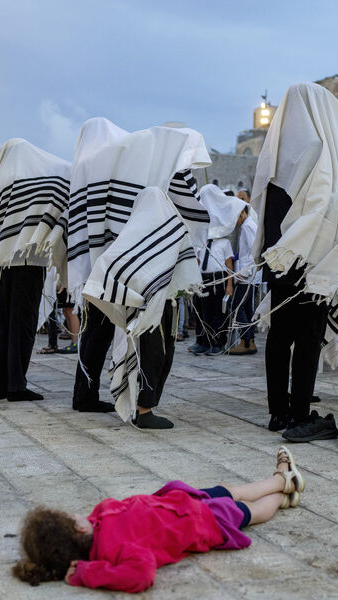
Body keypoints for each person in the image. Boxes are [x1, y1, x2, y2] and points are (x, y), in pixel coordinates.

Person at [250, 83, 338, 439]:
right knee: (309, 336)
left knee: (280, 334)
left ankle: (277, 412)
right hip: (312, 256)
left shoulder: (275, 147)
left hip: (278, 254)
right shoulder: (324, 149)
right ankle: (299, 411)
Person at [67, 118, 211, 415]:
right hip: (143, 257)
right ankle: (139, 403)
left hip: (103, 259)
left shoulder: (94, 164)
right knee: (146, 328)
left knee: (96, 329)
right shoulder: (159, 153)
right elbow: (190, 207)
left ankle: (85, 394)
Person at [12, 447, 305, 592]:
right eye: (71, 517)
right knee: (249, 512)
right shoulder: (113, 552)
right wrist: (89, 574)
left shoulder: (95, 524)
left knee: (233, 491)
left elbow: (115, 513)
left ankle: (279, 481)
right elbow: (142, 575)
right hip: (198, 523)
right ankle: (282, 489)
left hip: (180, 501)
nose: (77, 513)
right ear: (77, 529)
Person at [0, 138, 69, 402]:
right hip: (30, 259)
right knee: (24, 324)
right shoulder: (43, 179)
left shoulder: (4, 184)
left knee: (4, 322)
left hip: (4, 261)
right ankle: (17, 385)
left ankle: (1, 384)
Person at [189, 185, 241, 355]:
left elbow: (228, 264)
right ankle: (202, 341)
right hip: (203, 279)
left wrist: (229, 284)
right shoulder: (201, 241)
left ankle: (217, 342)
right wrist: (194, 282)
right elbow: (197, 261)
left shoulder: (224, 243)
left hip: (218, 279)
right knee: (202, 312)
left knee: (218, 313)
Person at [228, 205, 259, 355]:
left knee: (236, 306)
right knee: (246, 309)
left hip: (246, 275)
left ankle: (245, 340)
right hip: (247, 275)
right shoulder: (247, 225)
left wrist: (244, 272)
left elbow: (254, 251)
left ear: (241, 212)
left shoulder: (248, 227)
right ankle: (249, 341)